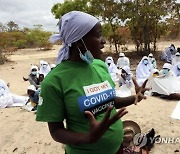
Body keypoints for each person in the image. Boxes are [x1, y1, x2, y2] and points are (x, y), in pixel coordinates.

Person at [36, 11, 147, 154]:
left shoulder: (100, 66)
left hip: (117, 148)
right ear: (79, 41)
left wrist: (133, 98)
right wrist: (89, 138)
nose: (104, 41)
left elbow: (109, 102)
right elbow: (56, 131)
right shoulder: (54, 81)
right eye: (98, 35)